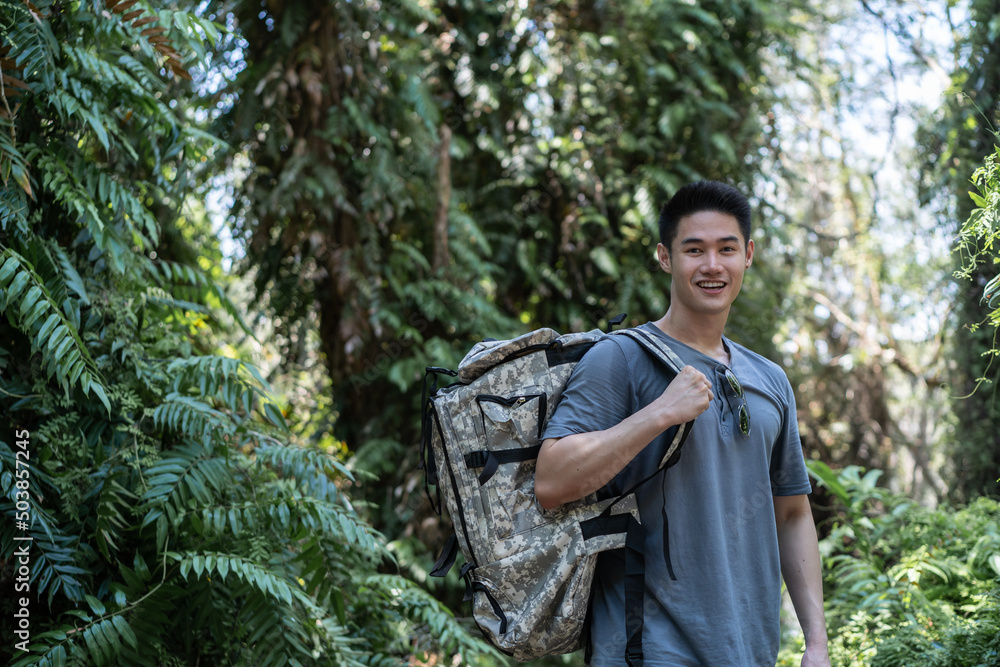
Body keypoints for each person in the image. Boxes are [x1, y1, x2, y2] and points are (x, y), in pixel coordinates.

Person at [534, 180, 830, 666]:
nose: (712, 265)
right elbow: (551, 480)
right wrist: (660, 413)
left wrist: (816, 643)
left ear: (748, 255)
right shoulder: (621, 359)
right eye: (694, 250)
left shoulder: (770, 380)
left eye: (726, 249)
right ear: (665, 257)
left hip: (750, 650)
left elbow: (793, 514)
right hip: (647, 649)